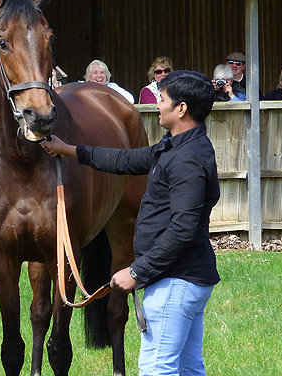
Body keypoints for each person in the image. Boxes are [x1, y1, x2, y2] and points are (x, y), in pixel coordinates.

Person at [41, 70, 220, 375]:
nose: (157, 105)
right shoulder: (177, 146)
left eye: (162, 99)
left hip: (175, 283)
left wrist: (137, 271)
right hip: (185, 279)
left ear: (182, 109)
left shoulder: (187, 160)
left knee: (156, 368)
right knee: (189, 368)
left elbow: (182, 229)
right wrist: (71, 151)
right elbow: (126, 160)